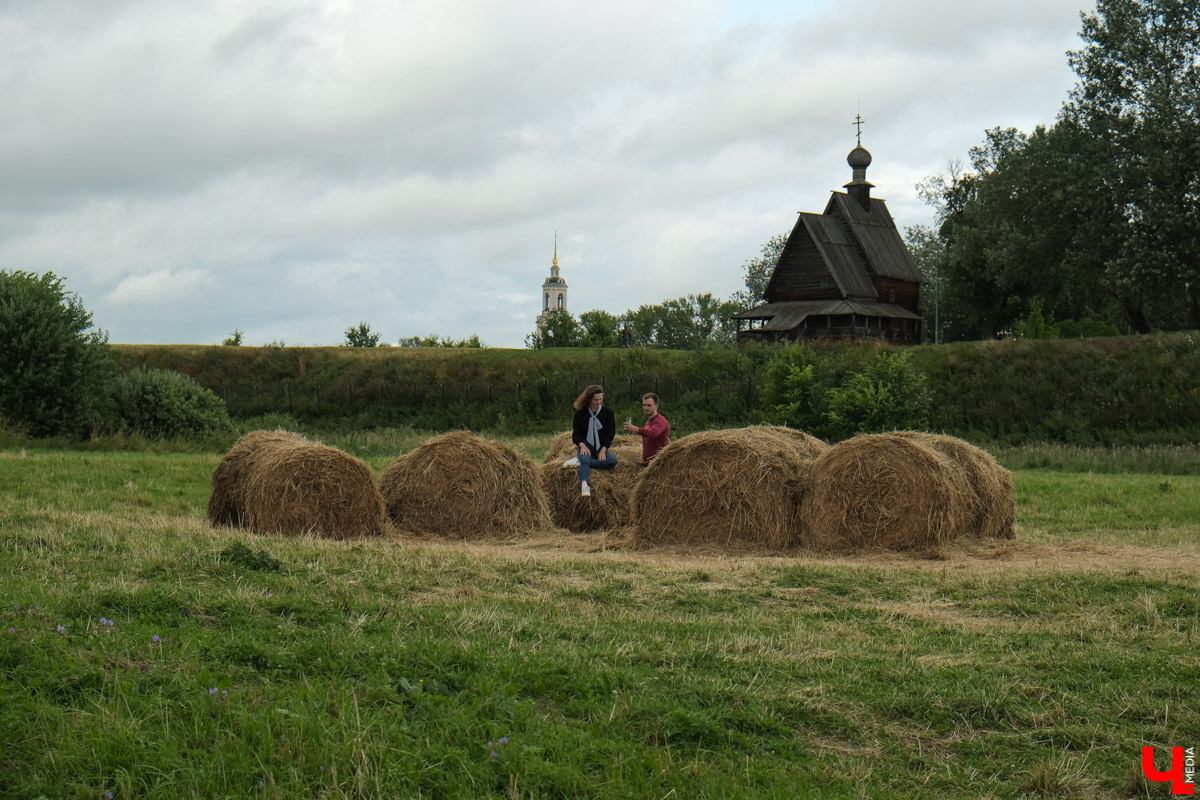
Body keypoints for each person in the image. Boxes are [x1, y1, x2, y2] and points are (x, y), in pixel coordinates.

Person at [562, 384, 617, 496]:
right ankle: (584, 485)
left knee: (612, 461)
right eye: (595, 400)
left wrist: (603, 450)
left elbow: (610, 434)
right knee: (586, 457)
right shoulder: (580, 414)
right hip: (586, 444)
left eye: (600, 399)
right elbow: (576, 435)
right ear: (589, 399)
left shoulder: (608, 413)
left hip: (600, 446)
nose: (598, 402)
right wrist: (582, 445)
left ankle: (580, 461)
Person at [623, 392, 670, 466]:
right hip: (648, 463)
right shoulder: (648, 422)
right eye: (644, 405)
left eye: (649, 405)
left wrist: (637, 429)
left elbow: (653, 433)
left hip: (658, 464)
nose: (645, 408)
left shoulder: (660, 421)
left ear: (656, 406)